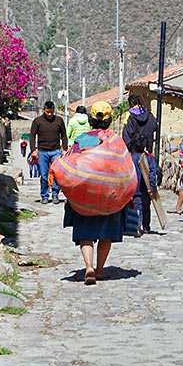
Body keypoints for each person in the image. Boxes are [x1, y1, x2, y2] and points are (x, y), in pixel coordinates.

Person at [64, 101, 126, 285]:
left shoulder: (81, 140)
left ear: (91, 120)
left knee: (86, 232)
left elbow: (71, 166)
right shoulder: (116, 141)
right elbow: (124, 168)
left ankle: (88, 266)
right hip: (109, 195)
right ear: (109, 121)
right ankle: (99, 270)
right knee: (106, 233)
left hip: (85, 194)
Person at [30, 101, 68, 204]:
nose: (50, 114)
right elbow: (32, 135)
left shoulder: (59, 121)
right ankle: (44, 195)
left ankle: (55, 193)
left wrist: (64, 149)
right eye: (47, 112)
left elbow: (64, 135)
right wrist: (33, 150)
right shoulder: (37, 121)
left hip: (56, 151)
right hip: (42, 152)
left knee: (56, 174)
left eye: (51, 112)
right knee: (44, 175)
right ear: (43, 110)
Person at [128, 132, 157, 235]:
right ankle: (146, 226)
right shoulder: (149, 158)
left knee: (137, 207)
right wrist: (152, 186)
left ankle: (137, 227)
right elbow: (152, 173)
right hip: (146, 187)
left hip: (134, 187)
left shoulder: (129, 158)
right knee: (146, 207)